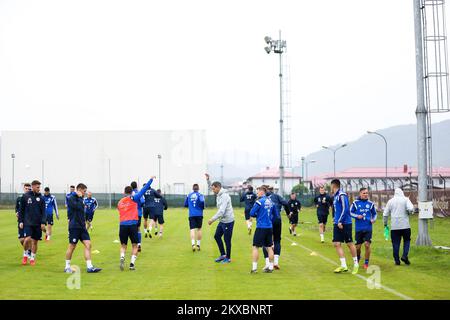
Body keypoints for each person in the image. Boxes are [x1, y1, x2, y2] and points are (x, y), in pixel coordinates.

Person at [117, 177, 155, 271]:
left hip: (122, 225)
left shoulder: (120, 202)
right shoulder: (135, 198)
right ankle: (131, 264)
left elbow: (119, 210)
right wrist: (151, 180)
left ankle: (122, 257)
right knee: (135, 245)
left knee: (123, 245)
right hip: (133, 224)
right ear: (131, 192)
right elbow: (144, 189)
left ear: (124, 192)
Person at [64, 183, 101, 273]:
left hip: (82, 226)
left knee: (88, 244)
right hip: (74, 226)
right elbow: (78, 206)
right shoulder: (71, 198)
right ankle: (67, 267)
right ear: (79, 190)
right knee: (72, 246)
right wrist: (80, 197)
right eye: (84, 191)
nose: (85, 193)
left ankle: (89, 267)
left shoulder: (80, 198)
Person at [330, 179, 359, 274]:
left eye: (331, 186)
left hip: (345, 223)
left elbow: (345, 209)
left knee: (349, 243)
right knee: (336, 243)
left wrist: (340, 221)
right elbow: (337, 209)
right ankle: (343, 265)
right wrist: (335, 218)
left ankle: (356, 264)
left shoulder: (342, 195)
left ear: (333, 186)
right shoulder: (335, 196)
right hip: (337, 223)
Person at [383, 188, 414, 266]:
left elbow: (385, 214)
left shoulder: (390, 201)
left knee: (395, 243)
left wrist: (385, 224)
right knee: (407, 241)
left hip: (395, 227)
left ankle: (397, 260)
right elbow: (411, 209)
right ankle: (404, 256)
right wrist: (410, 212)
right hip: (405, 226)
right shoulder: (406, 199)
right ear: (402, 192)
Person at [18, 180, 45, 266]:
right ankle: (25, 255)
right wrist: (21, 221)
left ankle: (32, 258)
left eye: (39, 187)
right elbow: (21, 210)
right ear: (32, 187)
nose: (39, 189)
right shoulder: (25, 196)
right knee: (27, 240)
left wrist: (43, 222)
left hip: (37, 223)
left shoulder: (41, 198)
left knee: (35, 242)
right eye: (37, 187)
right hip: (28, 223)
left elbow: (43, 212)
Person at [250, 185, 276, 274]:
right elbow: (275, 215)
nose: (257, 193)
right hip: (269, 227)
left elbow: (251, 213)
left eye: (258, 191)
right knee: (269, 247)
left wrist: (258, 215)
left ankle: (254, 268)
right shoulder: (271, 202)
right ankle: (271, 267)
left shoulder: (259, 202)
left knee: (255, 247)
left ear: (262, 192)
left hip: (261, 227)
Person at [208, 181, 235, 264]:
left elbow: (221, 211)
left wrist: (212, 219)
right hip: (222, 221)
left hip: (228, 221)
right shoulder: (218, 195)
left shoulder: (224, 196)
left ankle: (228, 258)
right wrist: (208, 179)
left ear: (218, 187)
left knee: (227, 240)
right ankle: (223, 255)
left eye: (213, 189)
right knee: (217, 236)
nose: (213, 191)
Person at [350, 187, 377, 269]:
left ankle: (366, 262)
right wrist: (357, 216)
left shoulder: (370, 204)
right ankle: (358, 258)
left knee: (367, 245)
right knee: (358, 247)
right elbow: (350, 212)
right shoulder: (355, 203)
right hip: (359, 228)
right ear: (360, 194)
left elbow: (375, 214)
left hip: (368, 227)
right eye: (364, 193)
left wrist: (373, 219)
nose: (366, 194)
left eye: (366, 193)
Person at [262, 186, 288, 270]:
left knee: (265, 242)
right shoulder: (277, 196)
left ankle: (267, 264)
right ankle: (276, 262)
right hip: (277, 220)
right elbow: (286, 203)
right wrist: (288, 213)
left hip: (267, 221)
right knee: (277, 240)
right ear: (273, 190)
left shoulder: (263, 197)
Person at [184, 183, 205, 251]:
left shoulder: (189, 195)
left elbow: (185, 204)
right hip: (199, 214)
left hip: (192, 214)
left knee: (192, 229)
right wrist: (202, 207)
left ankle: (193, 244)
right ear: (198, 189)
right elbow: (202, 201)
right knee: (199, 229)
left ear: (193, 188)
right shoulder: (200, 195)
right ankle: (198, 245)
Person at [16, 183, 31, 257]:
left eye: (29, 189)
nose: (27, 190)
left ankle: (27, 252)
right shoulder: (19, 198)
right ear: (24, 189)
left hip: (29, 221)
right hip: (20, 220)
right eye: (26, 188)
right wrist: (16, 213)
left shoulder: (32, 198)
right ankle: (28, 249)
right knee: (22, 240)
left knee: (28, 238)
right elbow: (17, 207)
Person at [131, 181, 145, 251]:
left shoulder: (131, 193)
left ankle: (134, 245)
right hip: (138, 213)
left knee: (132, 229)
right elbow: (142, 201)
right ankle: (139, 244)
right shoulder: (139, 193)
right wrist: (139, 206)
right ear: (136, 186)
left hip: (131, 214)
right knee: (138, 228)